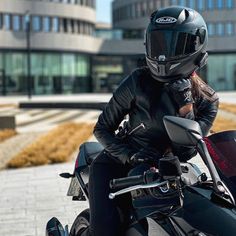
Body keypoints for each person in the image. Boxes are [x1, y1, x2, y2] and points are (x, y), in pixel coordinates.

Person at [80, 6, 219, 236]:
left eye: (175, 43)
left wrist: (186, 107)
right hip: (117, 164)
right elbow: (102, 128)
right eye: (160, 42)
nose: (164, 53)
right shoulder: (138, 81)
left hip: (167, 171)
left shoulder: (207, 100)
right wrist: (130, 155)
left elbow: (186, 151)